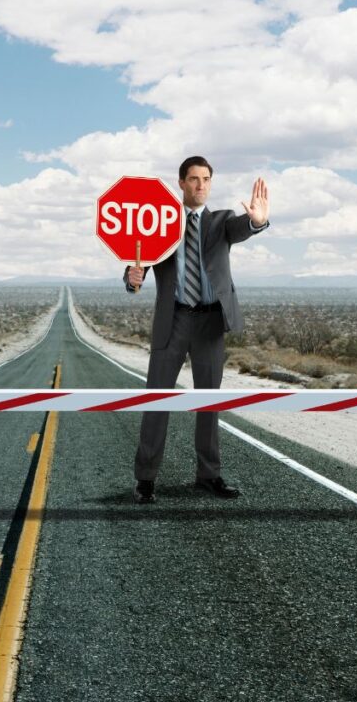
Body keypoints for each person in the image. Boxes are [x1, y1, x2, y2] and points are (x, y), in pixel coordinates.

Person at [123, 156, 270, 503]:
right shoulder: (160, 222)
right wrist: (132, 279)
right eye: (193, 179)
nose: (200, 185)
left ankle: (208, 475)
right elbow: (137, 265)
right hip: (171, 320)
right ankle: (145, 480)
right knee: (156, 400)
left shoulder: (221, 222)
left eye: (205, 179)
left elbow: (242, 228)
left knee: (209, 402)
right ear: (181, 183)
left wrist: (258, 222)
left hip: (209, 322)